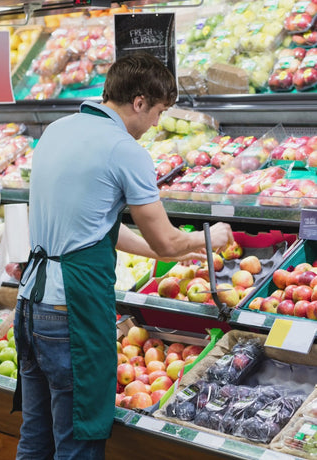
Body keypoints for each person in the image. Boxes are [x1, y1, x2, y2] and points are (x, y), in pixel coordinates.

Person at [12, 51, 233, 459]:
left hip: (31, 305)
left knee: (36, 436)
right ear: (139, 102)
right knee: (76, 441)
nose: (156, 124)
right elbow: (168, 242)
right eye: (159, 112)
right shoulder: (123, 149)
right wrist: (208, 238)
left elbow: (93, 227)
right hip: (71, 313)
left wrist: (160, 250)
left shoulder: (58, 131)